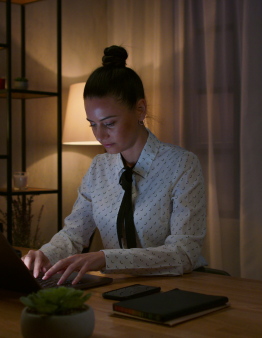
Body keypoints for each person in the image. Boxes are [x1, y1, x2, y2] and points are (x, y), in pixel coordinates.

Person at [23, 45, 207, 285]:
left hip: (177, 288)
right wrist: (45, 254)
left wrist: (106, 259)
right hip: (117, 289)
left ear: (140, 109)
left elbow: (185, 253)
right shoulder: (99, 167)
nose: (99, 135)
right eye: (93, 124)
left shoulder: (182, 165)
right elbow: (74, 234)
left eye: (109, 123)